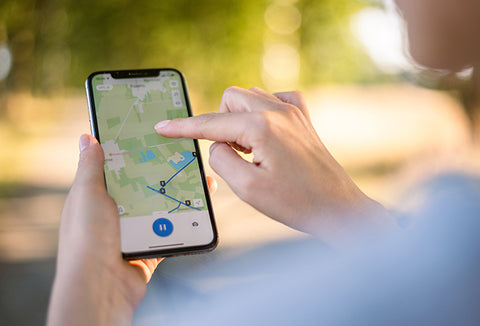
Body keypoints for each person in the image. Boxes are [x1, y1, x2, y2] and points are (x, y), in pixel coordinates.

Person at [47, 0, 480, 325]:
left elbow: (436, 270)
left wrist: (89, 298)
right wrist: (347, 210)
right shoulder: (453, 251)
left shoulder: (450, 258)